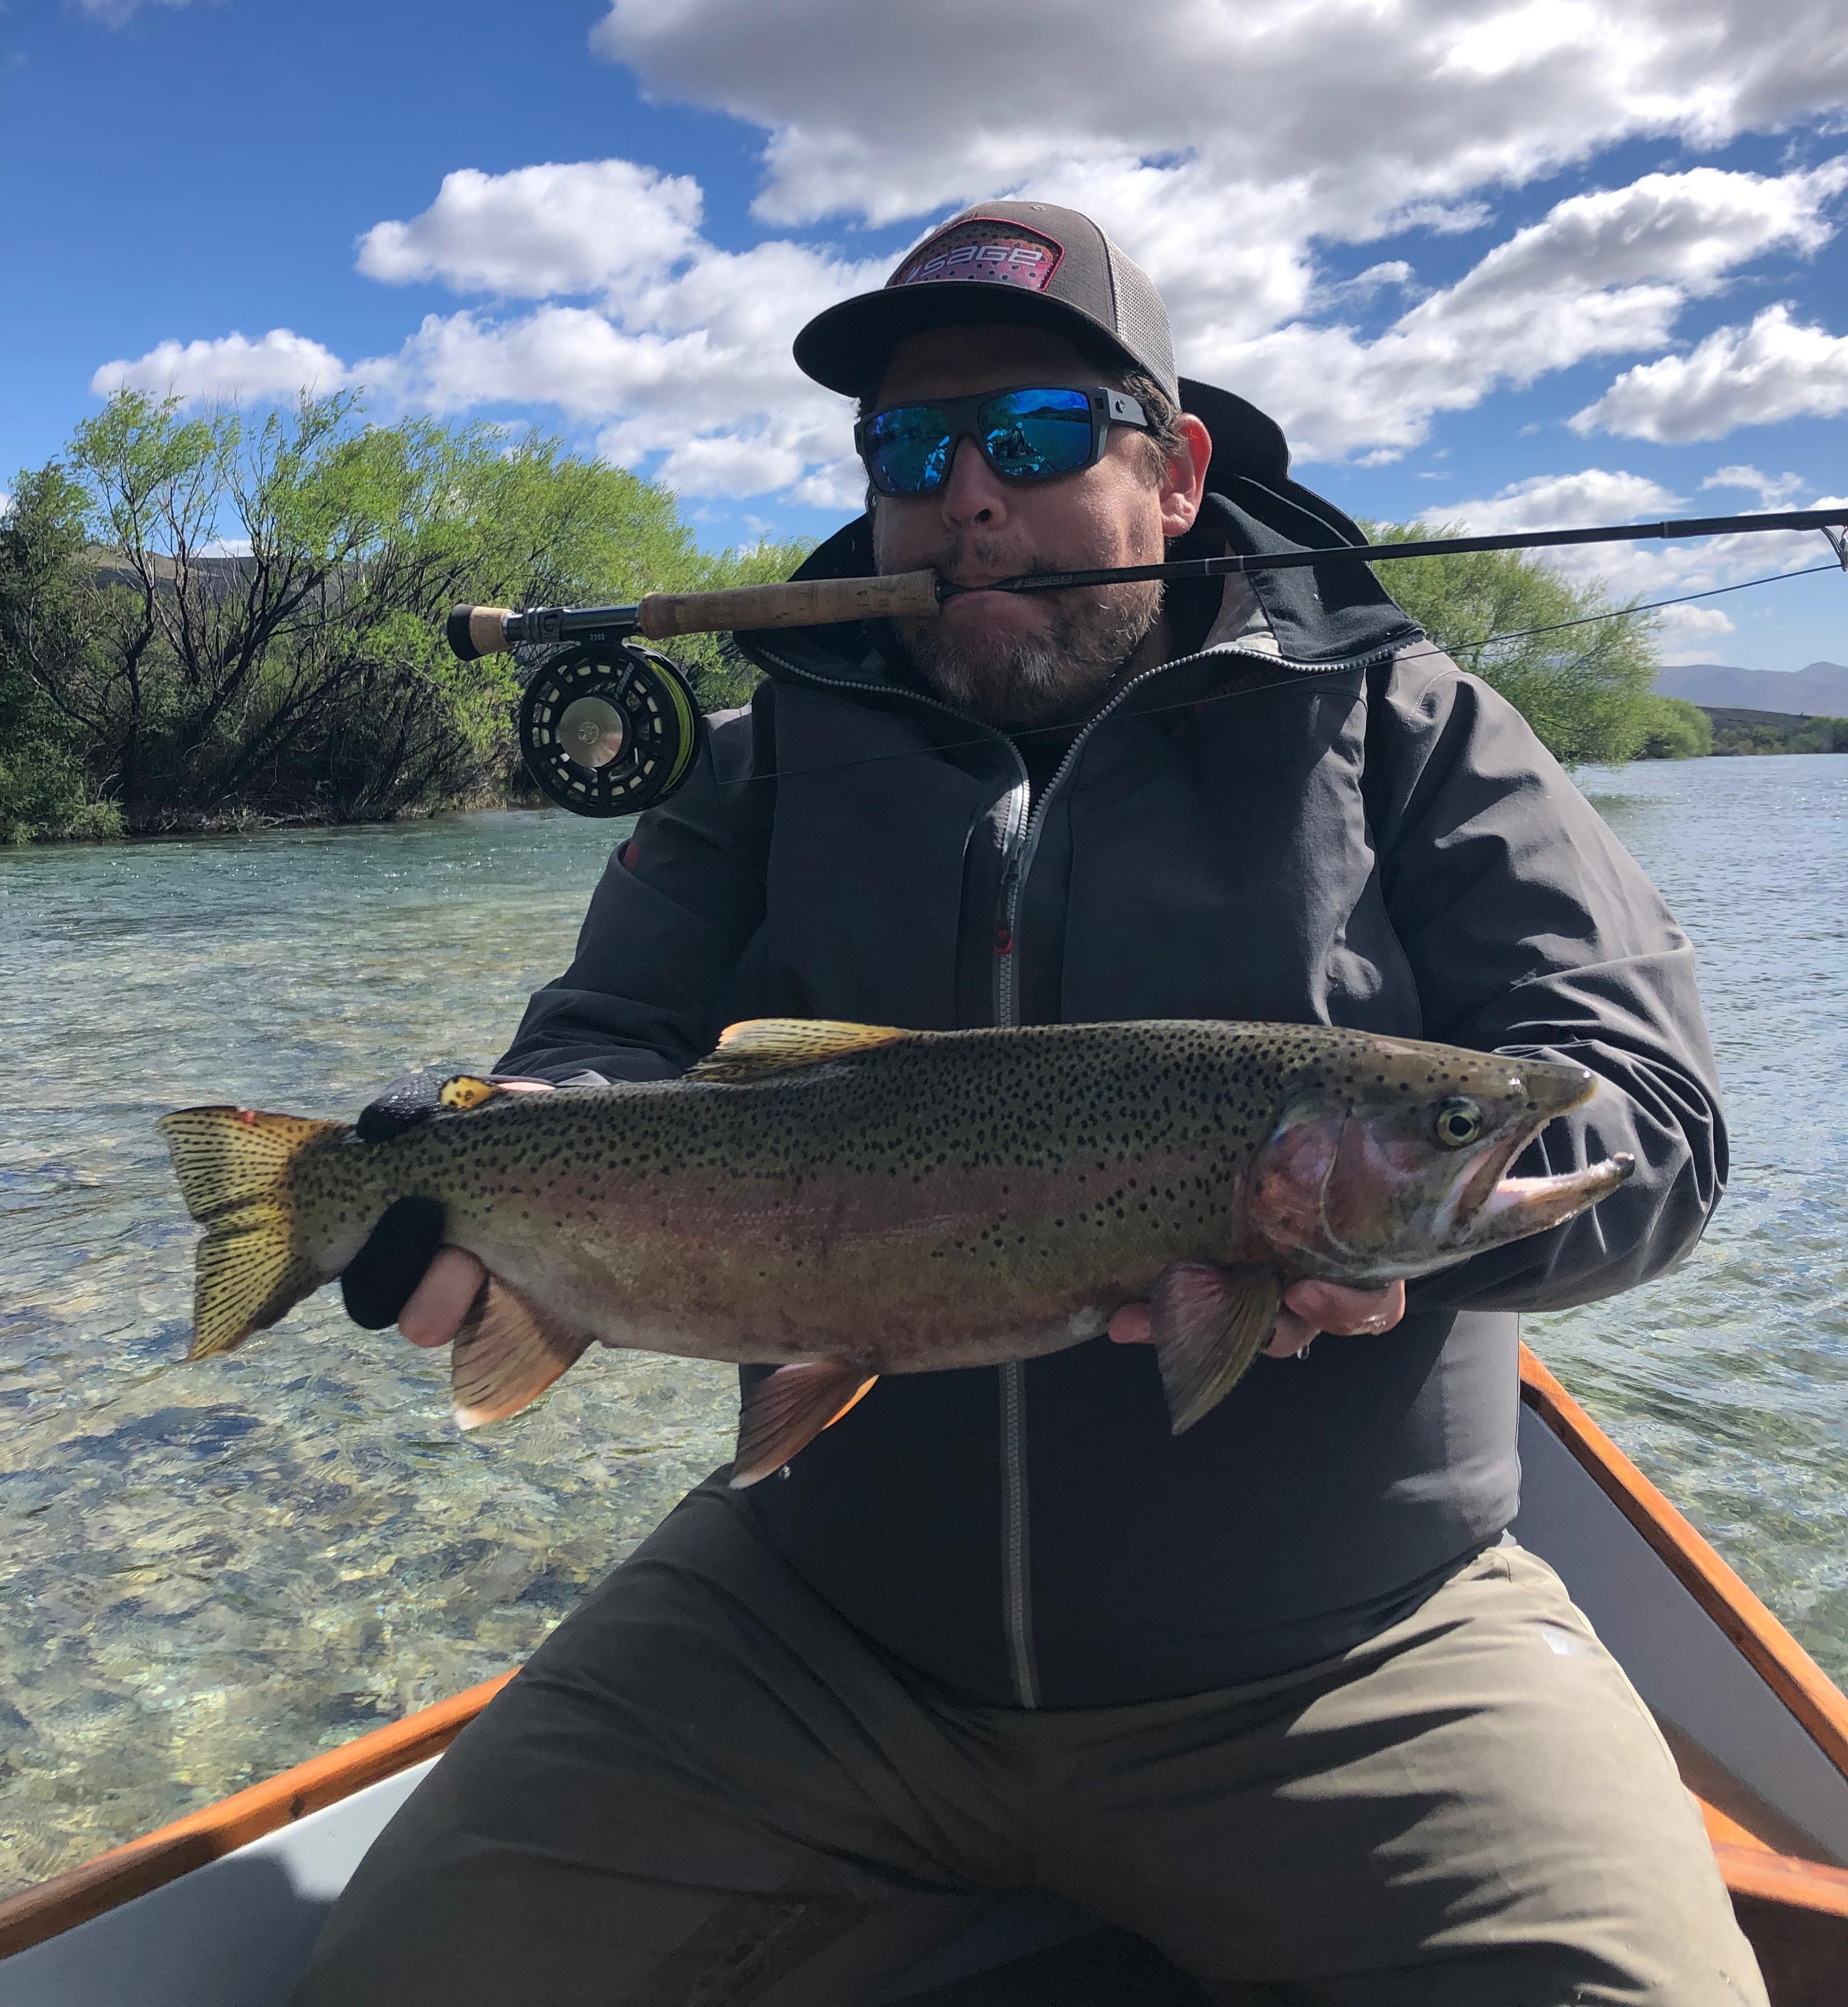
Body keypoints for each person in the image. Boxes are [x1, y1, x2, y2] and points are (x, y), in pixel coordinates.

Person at [302, 202, 1766, 2006]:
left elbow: (1648, 1120)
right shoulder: (765, 769)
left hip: (1344, 1653)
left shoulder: (1408, 726)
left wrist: (1397, 1244)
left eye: (1041, 435)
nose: (968, 495)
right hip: (815, 1637)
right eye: (911, 450)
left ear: (1176, 472)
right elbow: (605, 1041)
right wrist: (498, 1147)